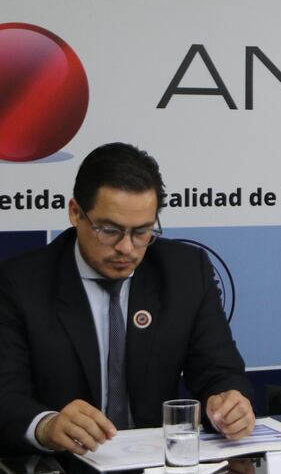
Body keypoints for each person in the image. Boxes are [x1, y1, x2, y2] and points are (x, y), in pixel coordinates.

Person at [0, 142, 256, 456]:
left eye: (142, 232)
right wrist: (46, 425)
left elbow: (219, 370)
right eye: (109, 230)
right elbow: (6, 394)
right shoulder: (20, 283)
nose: (127, 248)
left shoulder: (185, 272)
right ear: (76, 213)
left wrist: (227, 402)